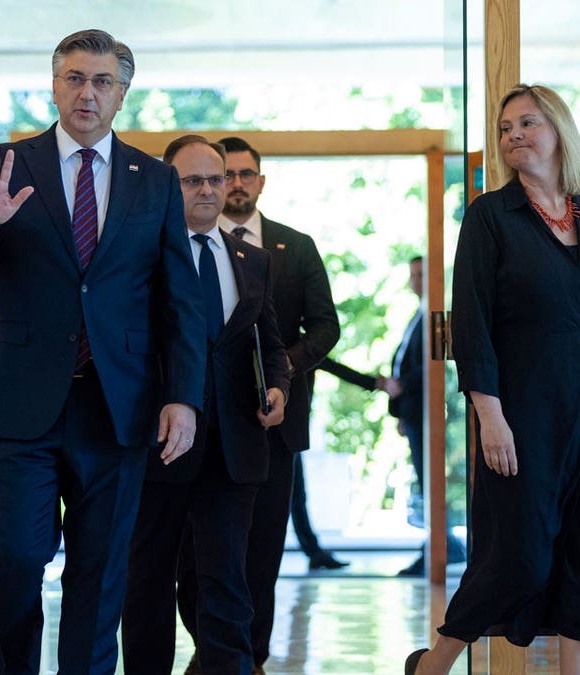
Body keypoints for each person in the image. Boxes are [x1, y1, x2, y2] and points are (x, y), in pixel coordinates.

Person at [0, 29, 206, 675]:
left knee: (101, 571)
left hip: (118, 405)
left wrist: (182, 396)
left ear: (122, 94)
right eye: (75, 78)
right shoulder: (4, 162)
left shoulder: (155, 180)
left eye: (102, 81)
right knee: (14, 559)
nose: (88, 92)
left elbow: (180, 302)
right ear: (54, 86)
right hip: (18, 404)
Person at [406, 84, 580, 675]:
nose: (513, 136)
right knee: (519, 559)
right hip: (522, 412)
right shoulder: (489, 217)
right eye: (505, 128)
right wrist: (490, 415)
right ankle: (435, 661)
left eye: (527, 123)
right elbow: (471, 323)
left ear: (558, 130)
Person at [121, 136, 290, 675]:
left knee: (226, 582)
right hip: (158, 448)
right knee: (148, 581)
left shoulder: (252, 259)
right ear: (169, 186)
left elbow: (271, 343)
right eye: (192, 180)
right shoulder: (137, 255)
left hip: (233, 447)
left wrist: (278, 387)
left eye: (215, 179)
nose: (208, 190)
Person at [177, 136, 340, 675]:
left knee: (260, 552)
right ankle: (213, 651)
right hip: (194, 424)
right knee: (194, 555)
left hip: (272, 423)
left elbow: (324, 327)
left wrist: (279, 374)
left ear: (258, 182)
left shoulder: (293, 247)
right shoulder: (178, 244)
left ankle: (251, 658)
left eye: (245, 174)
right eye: (229, 174)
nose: (236, 184)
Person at [387, 256, 466, 577]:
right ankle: (443, 545)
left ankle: (440, 549)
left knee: (431, 482)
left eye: (422, 274)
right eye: (413, 274)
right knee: (425, 481)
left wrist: (401, 385)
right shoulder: (418, 316)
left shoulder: (437, 318)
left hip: (430, 413)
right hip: (414, 413)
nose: (416, 280)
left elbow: (434, 365)